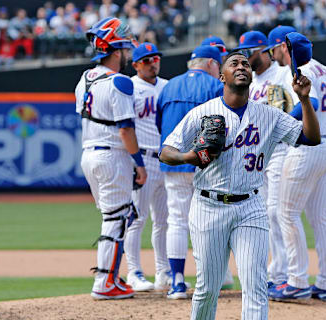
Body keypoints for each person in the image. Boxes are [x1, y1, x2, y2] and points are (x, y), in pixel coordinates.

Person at [159, 50, 320, 320]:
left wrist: (304, 101)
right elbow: (166, 151)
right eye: (234, 64)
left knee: (255, 283)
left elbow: (311, 137)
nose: (242, 67)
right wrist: (192, 155)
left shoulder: (268, 115)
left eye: (246, 64)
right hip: (208, 206)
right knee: (207, 286)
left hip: (251, 206)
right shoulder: (203, 113)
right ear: (222, 76)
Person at [270, 32, 326, 303]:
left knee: (286, 214)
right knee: (320, 218)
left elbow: (314, 102)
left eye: (273, 48)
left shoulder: (298, 71)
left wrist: (278, 122)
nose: (271, 53)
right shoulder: (322, 67)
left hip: (307, 148)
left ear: (284, 48)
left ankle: (297, 281)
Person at [74, 17, 147, 300]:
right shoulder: (119, 82)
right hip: (112, 155)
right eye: (125, 48)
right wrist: (139, 164)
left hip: (89, 154)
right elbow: (125, 129)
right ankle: (105, 282)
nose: (128, 53)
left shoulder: (85, 78)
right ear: (116, 51)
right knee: (116, 218)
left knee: (115, 216)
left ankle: (110, 278)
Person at [242, 26, 318, 293]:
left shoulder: (283, 73)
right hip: (257, 152)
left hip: (280, 150)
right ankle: (273, 272)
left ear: (263, 50)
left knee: (276, 211)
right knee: (263, 212)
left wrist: (278, 125)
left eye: (248, 52)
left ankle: (283, 273)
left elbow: (307, 101)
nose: (245, 57)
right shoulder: (250, 81)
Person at [155, 45, 225, 299]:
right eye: (218, 64)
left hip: (173, 163)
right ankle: (208, 282)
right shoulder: (215, 86)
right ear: (209, 63)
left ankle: (176, 282)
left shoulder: (168, 87)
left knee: (176, 221)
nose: (218, 69)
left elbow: (159, 124)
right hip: (204, 164)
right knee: (208, 222)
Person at [124, 42, 170, 292]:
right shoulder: (129, 88)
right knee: (137, 219)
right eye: (146, 60)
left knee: (164, 221)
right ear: (136, 65)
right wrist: (133, 161)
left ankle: (163, 271)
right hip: (142, 159)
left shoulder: (167, 86)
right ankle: (134, 272)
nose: (153, 64)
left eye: (156, 59)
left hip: (166, 159)